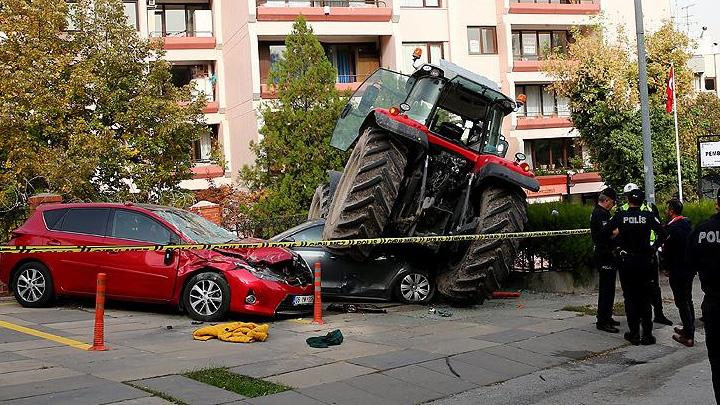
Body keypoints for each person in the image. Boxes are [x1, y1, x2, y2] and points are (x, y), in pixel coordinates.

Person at [603, 187, 667, 345]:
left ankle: (634, 334)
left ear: (628, 200)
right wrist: (653, 248)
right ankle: (647, 334)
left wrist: (616, 247)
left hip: (627, 262)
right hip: (645, 261)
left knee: (630, 298)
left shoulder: (621, 216)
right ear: (641, 201)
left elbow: (603, 233)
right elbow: (663, 234)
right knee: (645, 297)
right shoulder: (648, 216)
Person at [619, 183, 673, 326]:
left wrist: (654, 247)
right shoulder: (622, 210)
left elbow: (660, 228)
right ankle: (639, 317)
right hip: (634, 254)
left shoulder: (649, 208)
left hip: (647, 252)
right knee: (634, 289)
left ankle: (658, 314)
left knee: (653, 286)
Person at [686, 189, 720, 403]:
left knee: (717, 362)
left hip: (714, 305)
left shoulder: (701, 231)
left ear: (717, 203)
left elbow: (689, 265)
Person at [661, 199, 695, 347]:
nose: (666, 211)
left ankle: (688, 336)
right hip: (689, 268)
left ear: (672, 211)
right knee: (688, 299)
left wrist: (666, 267)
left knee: (681, 301)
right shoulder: (688, 225)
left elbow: (668, 251)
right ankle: (689, 328)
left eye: (667, 209)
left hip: (678, 270)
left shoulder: (673, 229)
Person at [591, 187, 620, 333]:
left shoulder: (603, 213)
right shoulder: (600, 214)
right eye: (613, 202)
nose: (613, 205)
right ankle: (602, 321)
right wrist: (617, 231)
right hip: (604, 255)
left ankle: (607, 316)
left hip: (607, 254)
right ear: (607, 200)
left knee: (609, 288)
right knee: (606, 290)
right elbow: (608, 233)